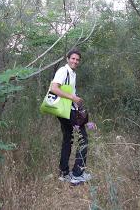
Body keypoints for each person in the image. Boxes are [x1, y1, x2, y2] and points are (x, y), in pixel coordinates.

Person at [50, 49, 92, 184]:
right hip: (66, 110)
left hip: (67, 109)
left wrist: (77, 102)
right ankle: (77, 174)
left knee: (68, 139)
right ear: (67, 58)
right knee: (83, 139)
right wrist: (73, 97)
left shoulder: (72, 73)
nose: (75, 61)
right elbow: (54, 88)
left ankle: (64, 173)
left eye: (77, 60)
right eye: (73, 58)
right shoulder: (64, 71)